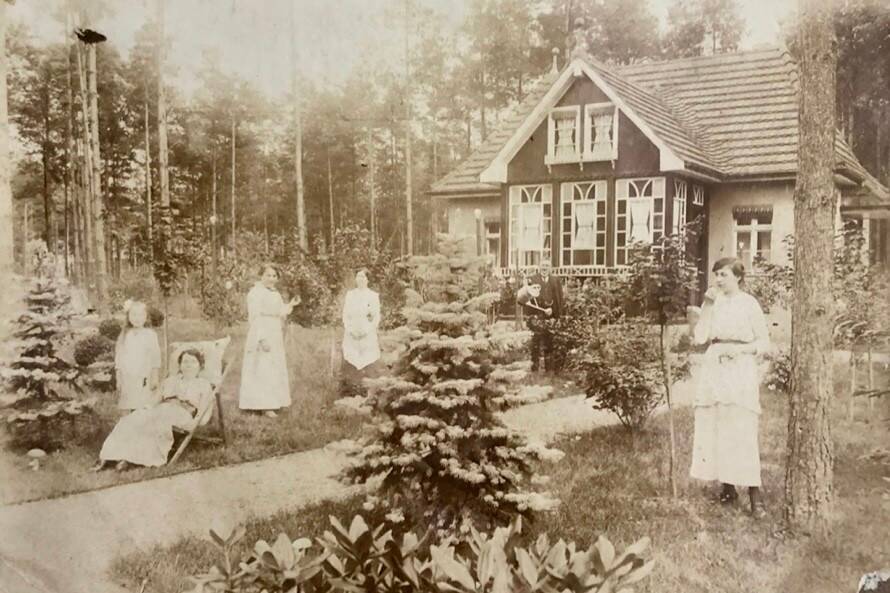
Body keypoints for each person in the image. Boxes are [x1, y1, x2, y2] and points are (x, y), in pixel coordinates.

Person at [688, 257, 770, 518]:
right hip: (715, 367)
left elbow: (764, 342)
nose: (718, 280)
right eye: (717, 275)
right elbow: (700, 338)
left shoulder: (749, 304)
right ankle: (728, 488)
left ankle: (755, 497)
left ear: (738, 277)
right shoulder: (713, 303)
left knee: (742, 428)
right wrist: (707, 306)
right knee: (717, 425)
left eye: (723, 274)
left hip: (740, 368)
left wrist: (741, 351)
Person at [91, 349, 213, 471]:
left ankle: (131, 460)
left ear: (200, 365)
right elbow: (155, 400)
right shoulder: (171, 381)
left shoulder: (203, 385)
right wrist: (145, 410)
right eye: (185, 362)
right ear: (180, 365)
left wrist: (196, 423)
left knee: (156, 423)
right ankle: (108, 456)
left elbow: (204, 410)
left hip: (181, 413)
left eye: (193, 362)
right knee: (131, 419)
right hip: (163, 408)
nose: (188, 365)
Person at [239, 264, 300, 418]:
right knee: (262, 367)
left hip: (274, 332)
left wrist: (291, 304)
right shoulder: (255, 293)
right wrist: (262, 338)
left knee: (273, 367)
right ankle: (263, 405)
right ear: (261, 275)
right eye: (268, 275)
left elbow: (280, 312)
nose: (271, 279)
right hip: (261, 331)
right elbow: (255, 317)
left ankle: (273, 401)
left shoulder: (275, 293)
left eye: (274, 276)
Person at [340, 269, 381, 396]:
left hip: (367, 334)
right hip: (352, 333)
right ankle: (351, 391)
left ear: (368, 280)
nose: (360, 279)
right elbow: (345, 315)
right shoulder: (350, 295)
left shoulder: (373, 296)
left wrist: (365, 331)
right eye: (358, 276)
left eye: (363, 277)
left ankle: (368, 391)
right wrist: (351, 330)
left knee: (368, 360)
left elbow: (375, 317)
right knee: (351, 360)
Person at [115, 300, 161, 411]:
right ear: (128, 317)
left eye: (141, 315)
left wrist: (155, 376)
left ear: (146, 317)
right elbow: (119, 357)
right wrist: (118, 377)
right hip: (128, 376)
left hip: (144, 375)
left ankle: (142, 420)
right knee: (131, 403)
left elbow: (155, 357)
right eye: (134, 315)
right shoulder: (125, 335)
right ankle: (132, 419)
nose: (137, 318)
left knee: (143, 403)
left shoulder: (150, 335)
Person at [527, 261, 564, 372]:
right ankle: (534, 367)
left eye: (547, 266)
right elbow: (528, 299)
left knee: (550, 341)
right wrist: (533, 315)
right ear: (539, 267)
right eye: (543, 265)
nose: (544, 268)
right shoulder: (533, 279)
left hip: (551, 315)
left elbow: (559, 299)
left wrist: (555, 313)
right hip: (537, 315)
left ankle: (549, 368)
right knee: (536, 342)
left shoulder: (555, 280)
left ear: (550, 268)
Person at [516, 281, 550, 372]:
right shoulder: (527, 295)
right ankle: (534, 367)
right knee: (535, 344)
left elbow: (546, 307)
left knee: (544, 344)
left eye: (538, 287)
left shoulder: (541, 296)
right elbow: (519, 301)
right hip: (533, 322)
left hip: (543, 322)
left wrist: (548, 311)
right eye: (534, 287)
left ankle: (547, 367)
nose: (536, 289)